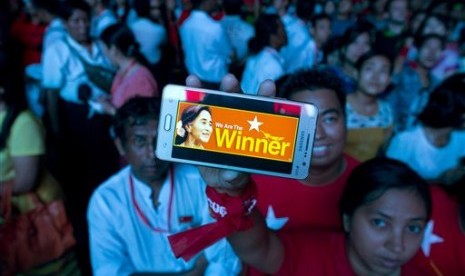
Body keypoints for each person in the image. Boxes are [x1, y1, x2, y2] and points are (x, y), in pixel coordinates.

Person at [192, 157, 432, 275]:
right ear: (347, 220)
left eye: (413, 228)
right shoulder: (308, 253)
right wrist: (231, 192)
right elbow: (255, 248)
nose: (397, 245)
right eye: (380, 223)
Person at [87, 97, 241, 275]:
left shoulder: (199, 182)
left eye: (160, 141)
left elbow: (223, 258)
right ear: (120, 146)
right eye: (140, 141)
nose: (153, 153)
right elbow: (109, 270)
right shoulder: (106, 200)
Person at [251, 68, 360, 233]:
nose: (318, 134)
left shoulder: (368, 185)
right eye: (304, 121)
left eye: (330, 119)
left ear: (346, 121)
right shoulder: (254, 178)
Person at [386, 73, 465, 182]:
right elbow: (388, 180)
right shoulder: (406, 140)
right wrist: (438, 180)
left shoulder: (461, 137)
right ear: (454, 109)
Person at [384, 33, 444, 131]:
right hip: (392, 130)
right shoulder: (404, 72)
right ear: (418, 49)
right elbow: (392, 78)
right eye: (428, 47)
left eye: (437, 49)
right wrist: (406, 48)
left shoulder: (437, 84)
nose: (432, 53)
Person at [98, 23, 159, 115]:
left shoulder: (140, 78)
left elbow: (142, 118)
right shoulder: (121, 72)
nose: (104, 55)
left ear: (113, 50)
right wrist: (110, 100)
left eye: (105, 50)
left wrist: (111, 110)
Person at [344, 51, 394, 162]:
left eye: (383, 71)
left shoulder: (386, 110)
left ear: (389, 80)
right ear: (356, 73)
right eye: (369, 69)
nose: (375, 77)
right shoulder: (338, 105)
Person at [179, 0, 234, 89]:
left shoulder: (185, 24)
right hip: (215, 83)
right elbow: (230, 54)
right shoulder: (215, 27)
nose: (217, 2)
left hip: (193, 79)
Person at [240, 13, 287, 95]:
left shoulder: (254, 58)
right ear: (272, 36)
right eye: (283, 28)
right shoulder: (273, 66)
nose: (286, 32)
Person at [326, 20, 375, 94]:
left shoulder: (373, 81)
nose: (360, 49)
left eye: (366, 44)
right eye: (355, 42)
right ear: (343, 48)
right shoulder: (329, 75)